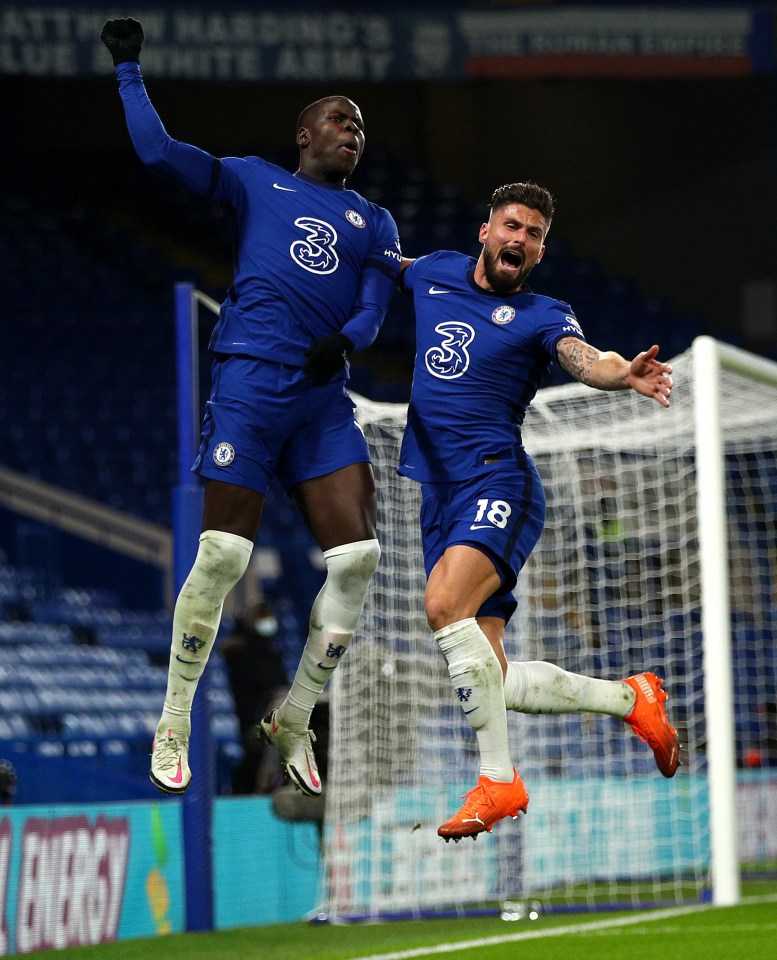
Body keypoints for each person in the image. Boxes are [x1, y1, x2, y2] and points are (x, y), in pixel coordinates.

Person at [100, 19, 401, 798]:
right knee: (224, 557)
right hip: (249, 383)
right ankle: (174, 716)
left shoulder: (375, 221)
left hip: (321, 400)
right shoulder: (253, 179)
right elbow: (157, 153)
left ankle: (295, 717)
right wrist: (128, 69)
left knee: (359, 559)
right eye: (340, 120)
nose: (352, 134)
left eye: (361, 127)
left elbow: (372, 304)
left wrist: (348, 341)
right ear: (304, 134)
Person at [397, 181, 679, 842]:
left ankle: (498, 780)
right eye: (511, 226)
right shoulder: (432, 273)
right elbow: (373, 261)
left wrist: (620, 374)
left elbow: (585, 359)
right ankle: (628, 699)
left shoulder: (541, 313)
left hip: (498, 482)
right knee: (487, 674)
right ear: (485, 231)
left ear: (539, 252)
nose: (518, 239)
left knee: (442, 607)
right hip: (435, 494)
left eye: (532, 234)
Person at [220, 600, 289, 794]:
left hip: (280, 718)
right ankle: (261, 788)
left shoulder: (272, 653)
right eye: (262, 619)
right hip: (255, 725)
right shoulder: (242, 656)